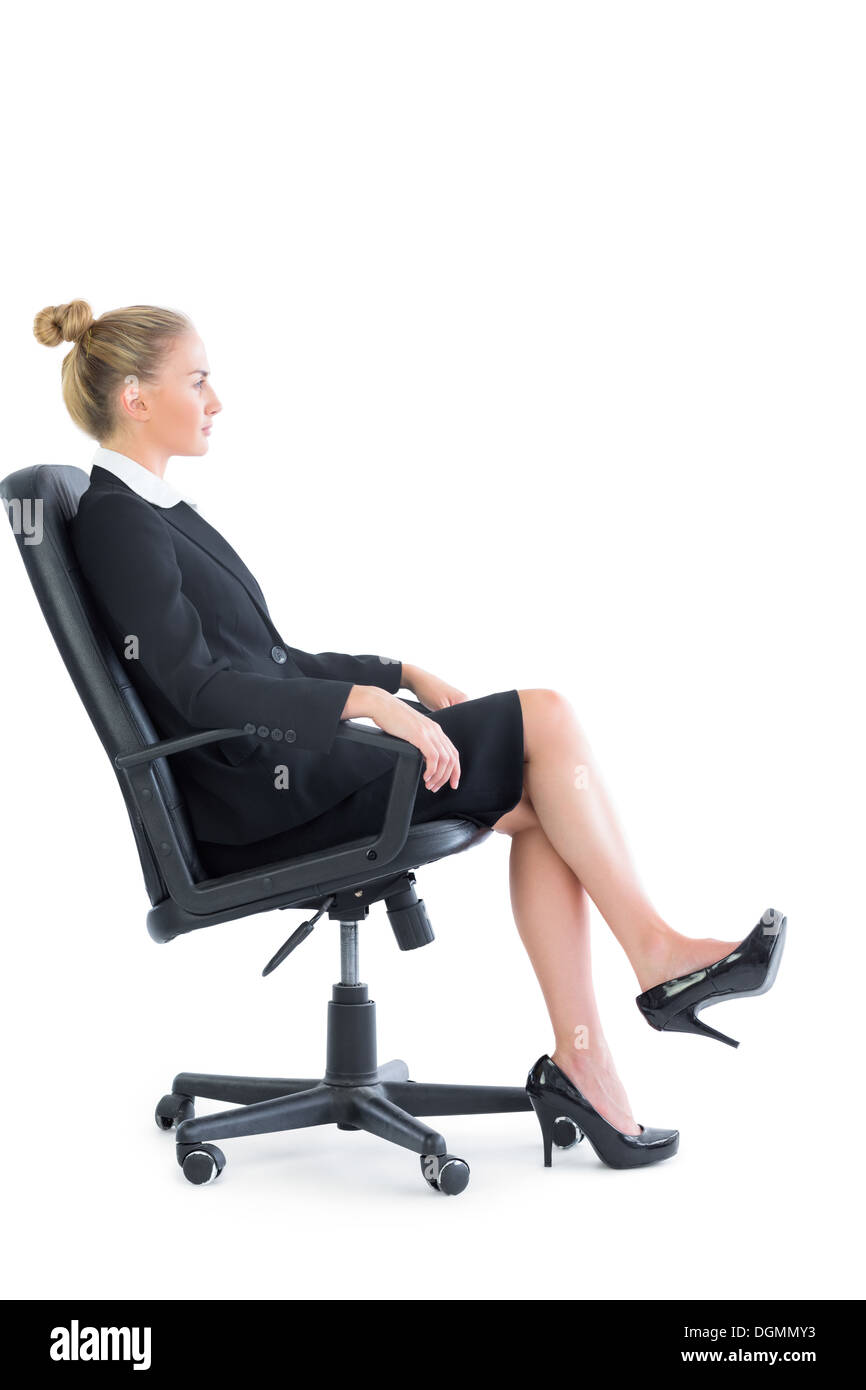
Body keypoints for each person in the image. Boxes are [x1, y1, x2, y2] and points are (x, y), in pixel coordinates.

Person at [34, 299, 787, 1171]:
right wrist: (362, 703)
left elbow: (267, 659)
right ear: (134, 396)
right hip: (253, 801)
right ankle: (656, 961)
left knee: (543, 803)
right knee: (542, 715)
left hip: (278, 773)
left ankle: (588, 1061)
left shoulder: (153, 511)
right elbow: (201, 694)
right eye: (197, 380)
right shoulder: (120, 520)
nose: (216, 400)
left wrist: (396, 674)